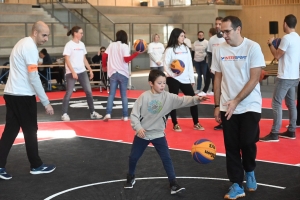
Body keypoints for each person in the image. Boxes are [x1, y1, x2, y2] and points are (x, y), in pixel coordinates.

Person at [124, 69, 208, 194]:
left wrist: (197, 99)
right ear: (151, 83)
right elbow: (134, 115)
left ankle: (173, 183)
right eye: (159, 83)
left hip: (158, 134)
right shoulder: (144, 97)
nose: (162, 85)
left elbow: (183, 100)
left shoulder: (168, 97)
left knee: (166, 159)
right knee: (133, 157)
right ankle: (131, 176)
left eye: (164, 83)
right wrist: (138, 128)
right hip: (143, 133)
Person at [212, 16, 265, 199]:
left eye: (227, 31)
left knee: (248, 142)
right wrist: (217, 104)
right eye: (222, 31)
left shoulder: (253, 47)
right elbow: (217, 78)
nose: (224, 34)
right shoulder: (219, 50)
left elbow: (254, 78)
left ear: (238, 30)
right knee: (232, 146)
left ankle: (249, 169)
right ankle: (236, 183)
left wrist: (236, 101)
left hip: (250, 105)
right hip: (227, 106)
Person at [0, 21, 56, 180]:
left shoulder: (21, 43)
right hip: (22, 96)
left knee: (11, 131)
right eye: (44, 35)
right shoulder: (30, 48)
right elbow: (33, 76)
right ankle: (36, 165)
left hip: (11, 93)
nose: (46, 39)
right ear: (35, 33)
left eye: (48, 36)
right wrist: (46, 101)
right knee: (30, 130)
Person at [260, 14, 300, 142]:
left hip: (285, 77)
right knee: (291, 104)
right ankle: (291, 130)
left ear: (285, 24)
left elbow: (277, 56)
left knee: (276, 103)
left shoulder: (286, 38)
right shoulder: (297, 37)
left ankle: (274, 133)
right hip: (294, 76)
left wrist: (270, 44)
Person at [164, 28, 204, 132]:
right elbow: (166, 65)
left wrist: (192, 78)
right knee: (173, 101)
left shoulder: (186, 48)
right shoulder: (169, 50)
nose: (183, 38)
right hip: (173, 79)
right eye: (181, 36)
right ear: (176, 36)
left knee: (193, 100)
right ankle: (175, 123)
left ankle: (196, 123)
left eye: (184, 36)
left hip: (185, 79)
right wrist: (173, 74)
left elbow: (190, 64)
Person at [61, 26, 103, 121]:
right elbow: (67, 59)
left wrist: (90, 70)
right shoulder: (69, 45)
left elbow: (84, 58)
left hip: (82, 71)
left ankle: (92, 112)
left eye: (82, 33)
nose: (82, 34)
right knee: (69, 92)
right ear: (75, 33)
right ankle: (64, 113)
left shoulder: (82, 45)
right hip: (71, 72)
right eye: (81, 33)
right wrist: (73, 72)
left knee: (89, 91)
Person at [102, 30, 143, 121]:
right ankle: (125, 116)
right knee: (123, 95)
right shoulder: (125, 46)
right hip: (123, 73)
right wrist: (136, 53)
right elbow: (126, 59)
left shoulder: (112, 45)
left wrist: (104, 66)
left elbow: (104, 56)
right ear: (125, 37)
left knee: (111, 94)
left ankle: (108, 114)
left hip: (113, 72)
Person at [208, 16, 226, 130]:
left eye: (219, 24)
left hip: (226, 71)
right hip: (215, 70)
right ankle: (222, 120)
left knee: (226, 94)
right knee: (217, 93)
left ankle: (228, 120)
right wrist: (210, 67)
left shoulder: (226, 38)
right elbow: (209, 54)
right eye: (216, 24)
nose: (217, 26)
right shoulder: (212, 39)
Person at [192, 31, 208, 95]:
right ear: (198, 36)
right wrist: (193, 61)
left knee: (205, 75)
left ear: (203, 36)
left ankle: (205, 89)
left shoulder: (207, 42)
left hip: (204, 61)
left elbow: (209, 52)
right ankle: (198, 89)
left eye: (202, 35)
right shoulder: (195, 43)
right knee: (199, 76)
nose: (201, 36)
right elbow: (193, 52)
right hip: (196, 61)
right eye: (199, 35)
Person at [202, 27, 217, 95]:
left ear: (210, 33)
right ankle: (205, 90)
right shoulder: (211, 40)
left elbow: (208, 50)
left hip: (213, 62)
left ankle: (213, 90)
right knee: (208, 76)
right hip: (209, 61)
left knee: (213, 77)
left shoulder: (213, 40)